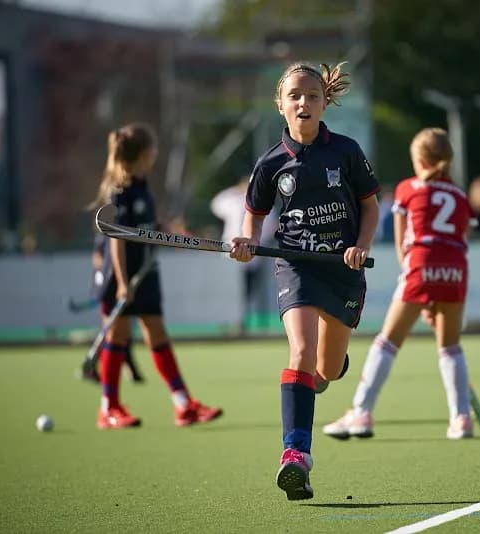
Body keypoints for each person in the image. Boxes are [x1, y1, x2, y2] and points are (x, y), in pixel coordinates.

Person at [229, 62, 379, 501]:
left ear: (324, 102)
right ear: (281, 105)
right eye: (294, 95)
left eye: (312, 95)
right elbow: (254, 214)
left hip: (343, 271)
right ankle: (295, 454)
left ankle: (329, 370)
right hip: (295, 267)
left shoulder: (347, 151)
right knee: (301, 350)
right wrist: (248, 241)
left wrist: (362, 246)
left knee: (328, 369)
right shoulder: (270, 162)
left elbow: (370, 206)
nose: (303, 103)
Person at [323, 127, 477, 442]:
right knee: (450, 346)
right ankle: (461, 418)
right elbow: (463, 239)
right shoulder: (461, 195)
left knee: (387, 341)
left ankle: (361, 411)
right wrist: (435, 298)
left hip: (421, 264)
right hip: (456, 269)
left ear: (419, 159)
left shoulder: (407, 189)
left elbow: (402, 244)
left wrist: (418, 284)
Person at [91, 122, 222, 430]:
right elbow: (116, 240)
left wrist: (174, 234)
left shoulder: (140, 186)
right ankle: (108, 408)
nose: (155, 156)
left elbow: (147, 226)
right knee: (118, 338)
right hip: (121, 277)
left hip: (146, 272)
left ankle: (183, 405)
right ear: (143, 153)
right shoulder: (118, 192)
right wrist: (123, 284)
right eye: (153, 151)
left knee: (158, 335)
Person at [211, 177, 277, 328]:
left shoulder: (264, 202)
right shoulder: (235, 201)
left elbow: (268, 228)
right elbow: (216, 203)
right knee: (232, 292)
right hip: (231, 256)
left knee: (249, 292)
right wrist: (236, 190)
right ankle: (230, 321)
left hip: (253, 258)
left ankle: (244, 322)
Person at [80, 233, 144, 384]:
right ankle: (101, 371)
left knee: (120, 334)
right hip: (110, 289)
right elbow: (98, 259)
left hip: (118, 288)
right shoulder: (104, 234)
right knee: (112, 333)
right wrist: (107, 277)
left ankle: (128, 369)